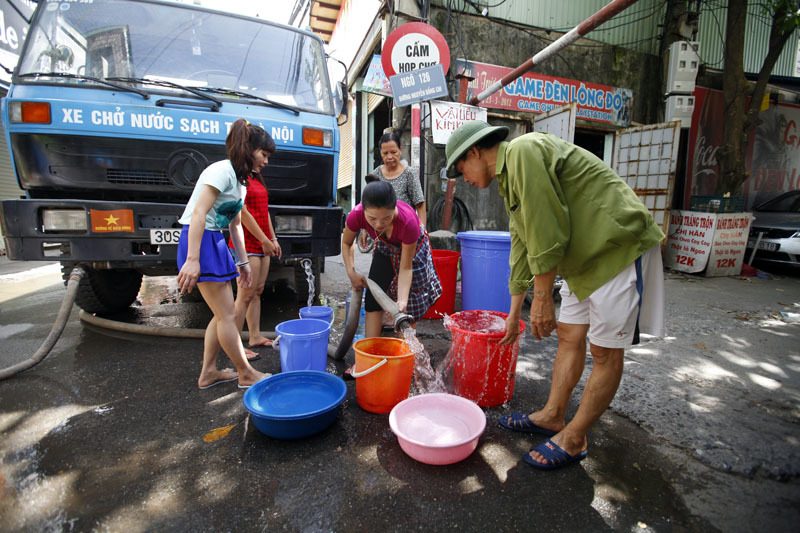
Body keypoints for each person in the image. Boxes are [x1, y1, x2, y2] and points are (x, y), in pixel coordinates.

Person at [445, 120, 665, 470]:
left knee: (605, 351)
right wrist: (514, 315)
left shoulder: (522, 152)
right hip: (580, 262)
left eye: (461, 170)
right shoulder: (509, 181)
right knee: (568, 336)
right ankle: (552, 415)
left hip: (616, 247)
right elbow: (521, 246)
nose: (464, 180)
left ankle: (575, 437)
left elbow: (548, 232)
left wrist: (543, 298)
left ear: (475, 151)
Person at [176, 118, 272, 390]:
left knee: (222, 316)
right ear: (248, 149)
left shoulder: (240, 182)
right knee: (228, 316)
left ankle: (209, 373)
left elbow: (235, 224)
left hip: (215, 240)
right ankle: (245, 373)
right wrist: (193, 260)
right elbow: (198, 213)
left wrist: (243, 262)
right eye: (263, 154)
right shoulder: (221, 171)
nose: (266, 161)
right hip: (201, 240)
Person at [342, 180, 442, 339]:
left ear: (394, 208)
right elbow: (347, 243)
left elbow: (406, 268)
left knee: (410, 303)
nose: (379, 224)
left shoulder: (408, 222)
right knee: (373, 296)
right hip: (385, 245)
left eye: (386, 218)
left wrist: (402, 301)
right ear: (364, 209)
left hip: (413, 247)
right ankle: (371, 348)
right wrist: (351, 272)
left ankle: (406, 351)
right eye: (372, 218)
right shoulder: (356, 214)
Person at [230, 163, 282, 360]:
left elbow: (264, 210)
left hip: (262, 242)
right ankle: (235, 345)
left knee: (257, 291)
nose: (266, 161)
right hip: (246, 243)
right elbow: (242, 212)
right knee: (244, 295)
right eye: (263, 154)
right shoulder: (238, 177)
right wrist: (264, 239)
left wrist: (272, 239)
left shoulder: (257, 177)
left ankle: (254, 336)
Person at [359, 132, 426, 250]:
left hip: (405, 233)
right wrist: (364, 229)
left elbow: (420, 205)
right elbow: (367, 205)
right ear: (380, 153)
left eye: (393, 152)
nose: (389, 157)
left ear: (400, 150)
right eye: (385, 153)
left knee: (405, 266)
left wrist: (422, 232)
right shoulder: (376, 174)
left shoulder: (409, 174)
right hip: (382, 234)